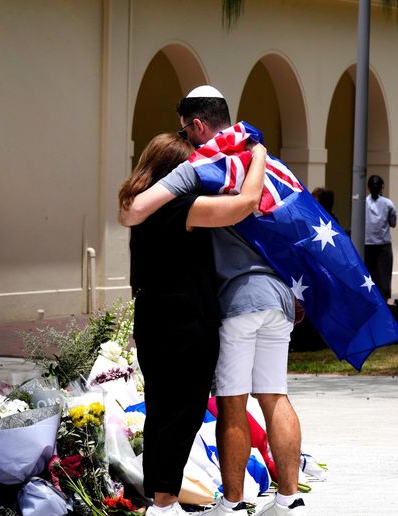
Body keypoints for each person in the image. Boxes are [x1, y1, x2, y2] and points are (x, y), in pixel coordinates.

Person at [120, 85, 306, 516]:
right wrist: (258, 154)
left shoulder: (151, 207)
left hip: (171, 316)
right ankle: (283, 497)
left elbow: (130, 211)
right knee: (265, 397)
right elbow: (245, 204)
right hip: (211, 315)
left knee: (181, 409)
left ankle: (200, 501)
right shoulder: (189, 204)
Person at [118, 132, 267, 516]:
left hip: (152, 318)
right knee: (182, 414)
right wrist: (258, 157)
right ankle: (164, 502)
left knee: (161, 410)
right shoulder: (180, 207)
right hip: (186, 322)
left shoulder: (142, 207)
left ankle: (160, 497)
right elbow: (245, 204)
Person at [365, 175, 396, 304]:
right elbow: (393, 223)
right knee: (380, 278)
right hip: (373, 245)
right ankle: (380, 303)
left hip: (378, 246)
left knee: (377, 278)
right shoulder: (388, 203)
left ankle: (378, 303)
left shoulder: (363, 202)